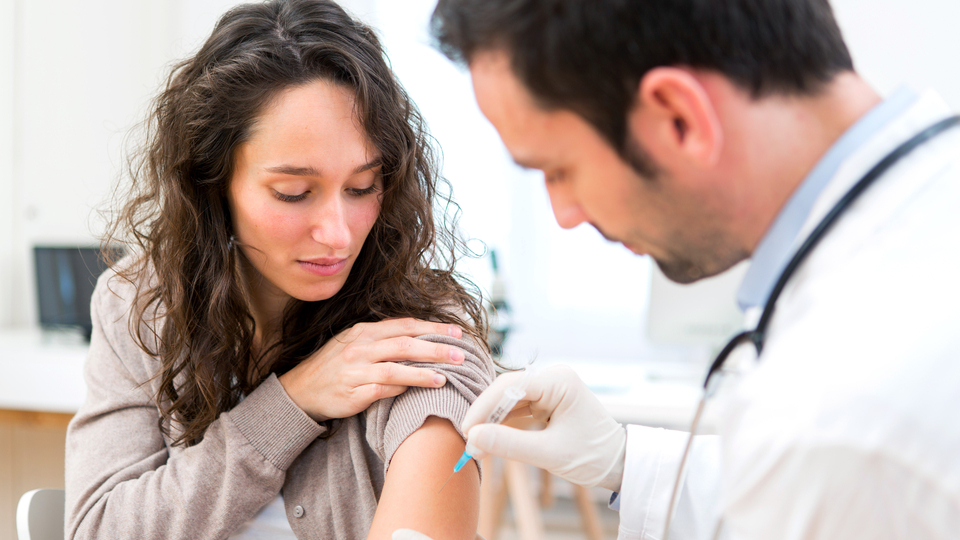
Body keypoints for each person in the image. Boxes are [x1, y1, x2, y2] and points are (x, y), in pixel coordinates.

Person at [396, 0, 960, 539]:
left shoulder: (837, 417)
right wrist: (621, 459)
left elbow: (824, 469)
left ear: (679, 118)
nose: (564, 216)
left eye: (558, 169)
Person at [64, 1, 494, 539]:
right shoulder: (140, 304)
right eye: (293, 192)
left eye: (362, 187)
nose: (338, 234)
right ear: (212, 183)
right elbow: (98, 529)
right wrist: (290, 404)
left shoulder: (417, 336)